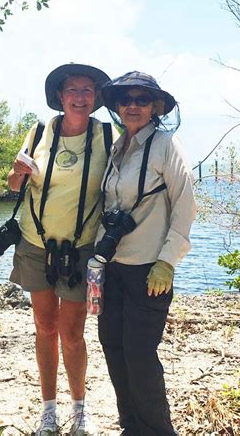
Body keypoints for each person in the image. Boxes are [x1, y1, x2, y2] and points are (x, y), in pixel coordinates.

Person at [7, 63, 117, 435]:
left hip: (81, 249)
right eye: (73, 90)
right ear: (60, 95)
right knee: (44, 326)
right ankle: (48, 411)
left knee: (72, 332)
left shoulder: (106, 135)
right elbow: (12, 183)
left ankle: (79, 410)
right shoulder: (39, 131)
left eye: (88, 90)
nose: (81, 97)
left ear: (96, 98)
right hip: (36, 245)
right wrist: (17, 172)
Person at [95, 71, 197, 435]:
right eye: (126, 100)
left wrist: (168, 261)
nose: (132, 106)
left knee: (140, 356)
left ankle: (157, 430)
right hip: (113, 268)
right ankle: (131, 426)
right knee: (113, 347)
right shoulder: (118, 147)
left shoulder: (167, 145)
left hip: (149, 270)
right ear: (117, 107)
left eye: (141, 100)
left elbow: (185, 206)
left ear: (155, 106)